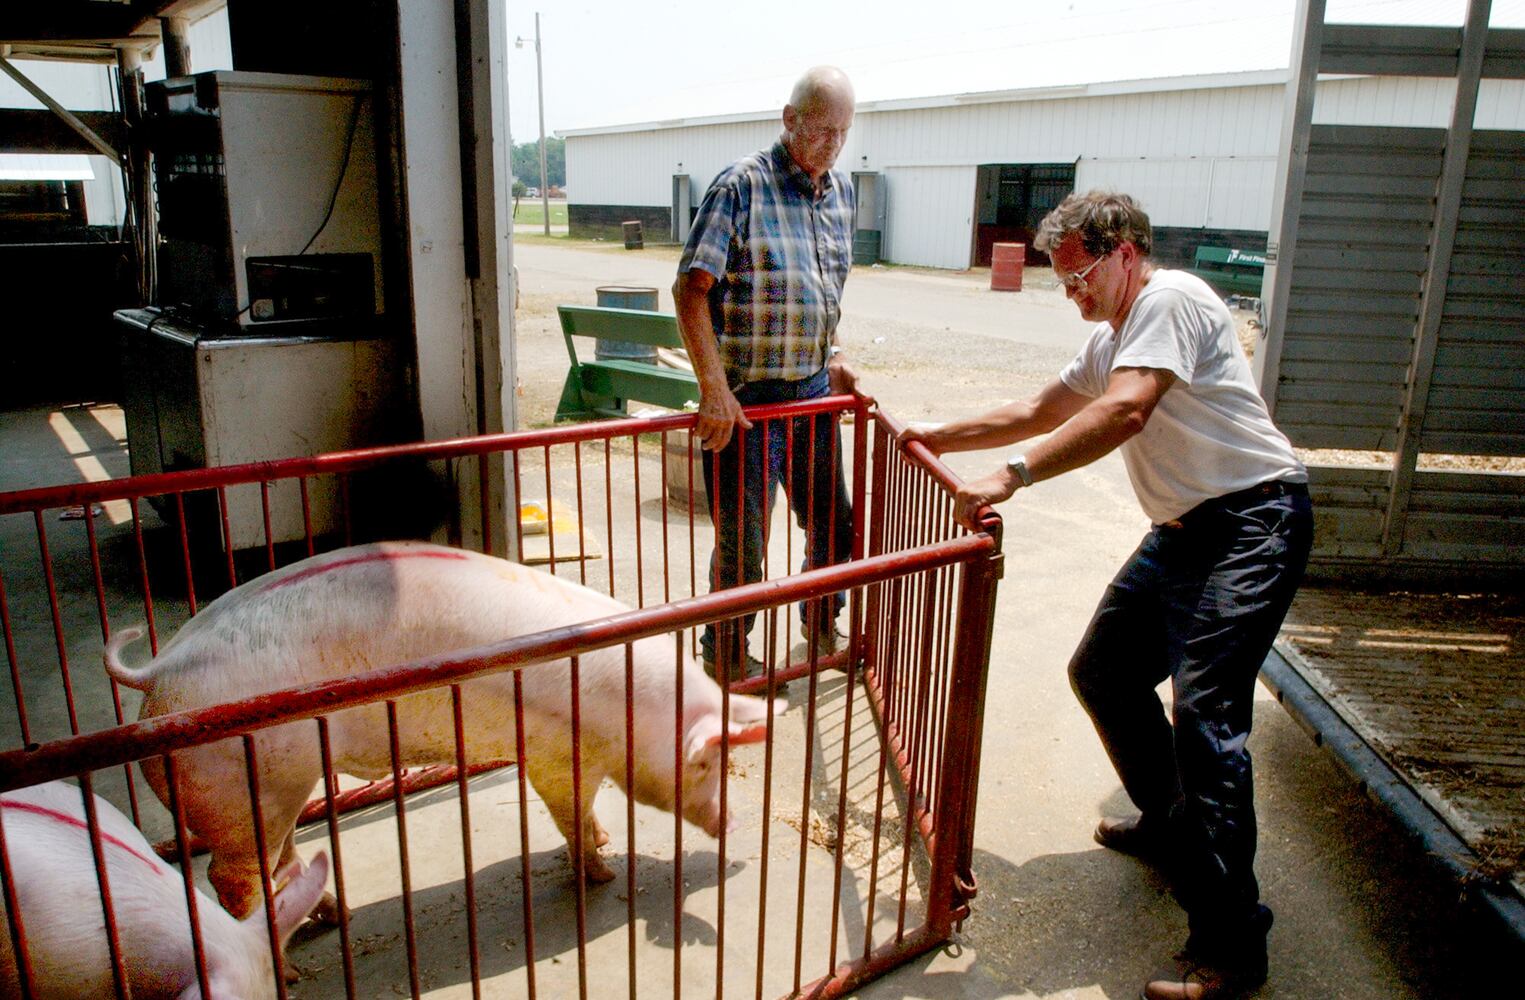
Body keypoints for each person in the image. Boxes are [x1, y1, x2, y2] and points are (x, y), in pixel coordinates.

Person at [902, 191, 1313, 1000]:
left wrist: (1014, 473)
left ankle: (1232, 944)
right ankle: (1171, 824)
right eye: (1061, 283)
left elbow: (1125, 411)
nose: (1073, 296)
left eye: (1079, 276)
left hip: (1253, 520)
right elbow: (1034, 408)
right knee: (1104, 673)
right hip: (1185, 531)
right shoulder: (1114, 336)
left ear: (1125, 252)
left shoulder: (1170, 298)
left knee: (1206, 718)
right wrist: (936, 436)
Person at [672, 66, 862, 678]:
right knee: (743, 544)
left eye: (842, 132)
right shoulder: (741, 186)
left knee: (836, 523)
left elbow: (825, 288)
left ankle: (820, 620)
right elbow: (690, 289)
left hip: (809, 394)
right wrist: (714, 390)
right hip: (746, 399)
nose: (831, 144)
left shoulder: (841, 193)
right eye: (821, 129)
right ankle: (724, 656)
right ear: (789, 119)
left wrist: (831, 357)